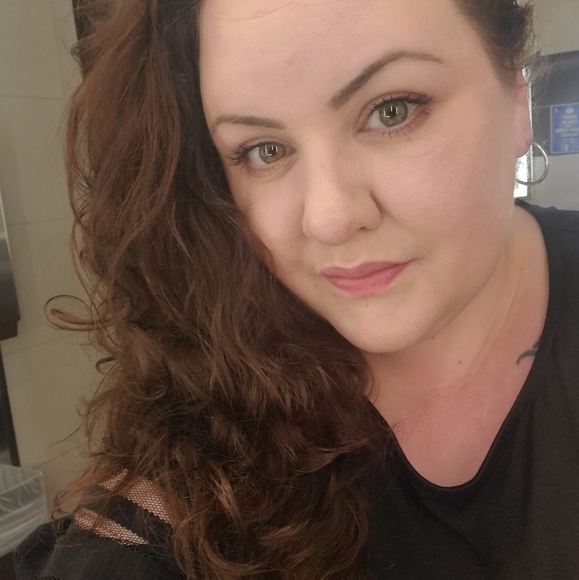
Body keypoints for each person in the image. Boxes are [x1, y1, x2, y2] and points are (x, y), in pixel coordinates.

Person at [13, 0, 579, 578]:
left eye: (392, 110)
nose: (329, 218)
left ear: (517, 94)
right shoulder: (213, 415)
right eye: (265, 151)